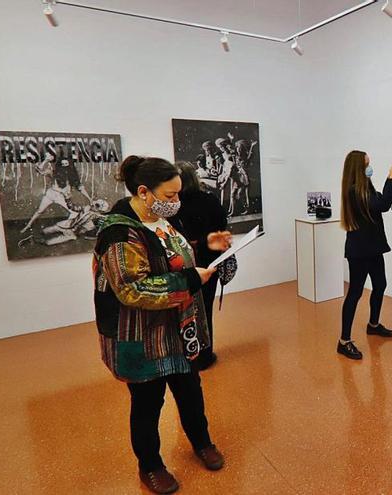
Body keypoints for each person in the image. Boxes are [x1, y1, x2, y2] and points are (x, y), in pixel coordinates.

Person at [92, 155, 228, 494]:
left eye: (178, 195)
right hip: (141, 336)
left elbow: (175, 254)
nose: (176, 202)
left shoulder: (161, 219)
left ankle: (202, 442)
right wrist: (188, 279)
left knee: (190, 391)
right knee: (148, 403)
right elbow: (130, 289)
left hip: (177, 329)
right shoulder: (119, 232)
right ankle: (150, 466)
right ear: (144, 192)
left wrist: (207, 247)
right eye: (169, 196)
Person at [339, 150, 392, 360]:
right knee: (355, 293)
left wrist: (391, 182)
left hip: (373, 248)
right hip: (359, 251)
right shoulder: (355, 190)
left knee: (380, 284)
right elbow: (382, 205)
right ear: (358, 168)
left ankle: (373, 325)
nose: (369, 167)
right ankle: (344, 341)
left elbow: (378, 202)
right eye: (367, 164)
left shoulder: (364, 187)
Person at [174, 162, 233, 371]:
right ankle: (204, 354)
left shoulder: (175, 205)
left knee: (184, 309)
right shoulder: (208, 199)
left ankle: (188, 353)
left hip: (184, 265)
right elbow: (222, 224)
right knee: (204, 307)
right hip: (210, 262)